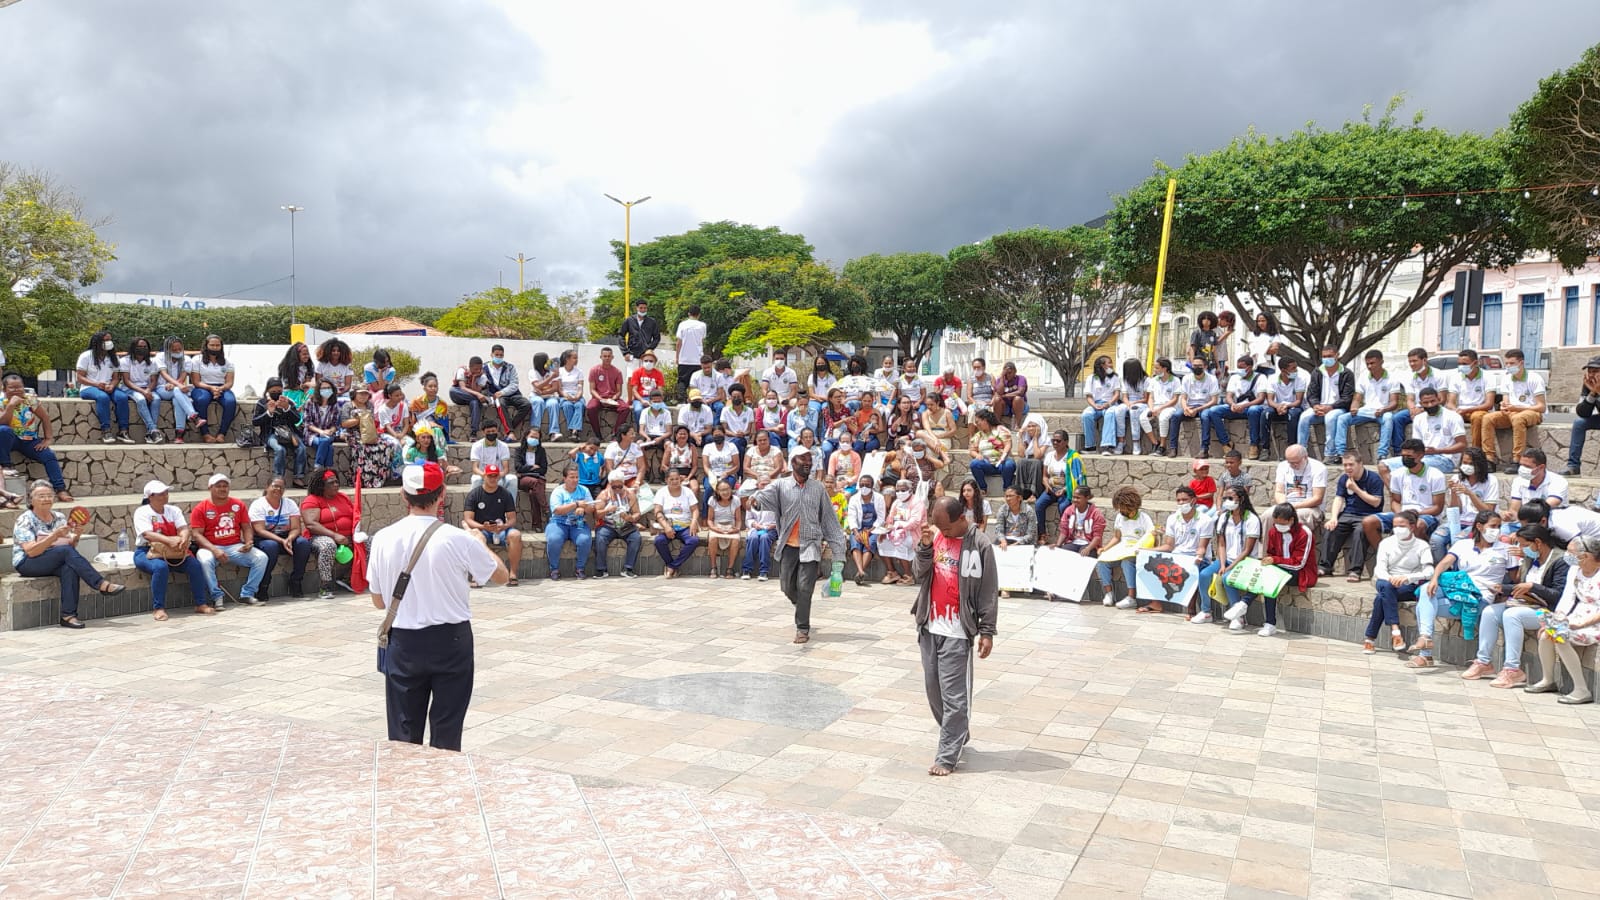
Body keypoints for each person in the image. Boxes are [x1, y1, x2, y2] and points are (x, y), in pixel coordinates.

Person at [369, 461, 508, 752]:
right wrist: (480, 542)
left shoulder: (382, 539)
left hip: (404, 641)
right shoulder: (459, 539)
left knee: (403, 735)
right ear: (442, 494)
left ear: (404, 496)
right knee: (447, 733)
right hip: (451, 642)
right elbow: (501, 576)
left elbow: (379, 601)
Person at [912, 495, 999, 777]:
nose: (943, 533)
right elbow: (918, 574)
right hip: (930, 626)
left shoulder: (980, 545)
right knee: (933, 690)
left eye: (946, 528)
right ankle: (958, 731)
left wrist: (987, 630)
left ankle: (947, 756)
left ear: (962, 518)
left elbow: (988, 590)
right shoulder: (935, 537)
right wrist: (925, 548)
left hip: (957, 632)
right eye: (939, 528)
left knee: (954, 697)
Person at [750, 444, 847, 643]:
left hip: (811, 545)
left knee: (805, 587)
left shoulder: (818, 488)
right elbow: (760, 498)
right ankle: (801, 605)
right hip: (788, 546)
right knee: (787, 587)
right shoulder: (780, 485)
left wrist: (838, 557)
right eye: (803, 460)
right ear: (793, 462)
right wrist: (754, 502)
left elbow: (830, 522)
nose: (808, 463)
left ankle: (802, 628)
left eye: (810, 460)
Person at [1463, 524, 1570, 688]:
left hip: (1549, 611)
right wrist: (1503, 588)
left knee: (1512, 615)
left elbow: (1558, 595)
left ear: (1538, 542)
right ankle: (1483, 661)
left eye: (1524, 545)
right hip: (1528, 604)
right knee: (1490, 612)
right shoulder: (1530, 559)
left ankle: (1512, 669)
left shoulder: (1560, 561)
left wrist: (1533, 587)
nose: (1521, 549)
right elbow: (1523, 587)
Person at [12, 480, 125, 628]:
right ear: (31, 499)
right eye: (41, 496)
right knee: (65, 552)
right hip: (27, 562)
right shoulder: (25, 520)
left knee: (70, 567)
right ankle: (100, 584)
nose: (46, 499)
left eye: (49, 495)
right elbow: (31, 551)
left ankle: (68, 616)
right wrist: (54, 536)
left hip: (53, 558)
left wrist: (76, 536)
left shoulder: (59, 517)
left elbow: (69, 545)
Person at [1409, 511, 1509, 669]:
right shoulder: (1463, 544)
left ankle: (1425, 652)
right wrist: (1434, 579)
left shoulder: (1506, 549)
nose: (1496, 530)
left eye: (1499, 526)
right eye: (1493, 526)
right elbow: (1444, 563)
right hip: (1457, 588)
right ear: (1479, 526)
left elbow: (1516, 577)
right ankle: (1425, 639)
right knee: (1425, 590)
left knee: (1425, 605)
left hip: (1480, 596)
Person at [1526, 534, 1600, 705]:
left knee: (1560, 637)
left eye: (1571, 552)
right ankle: (1547, 679)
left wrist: (1581, 624)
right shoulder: (1574, 570)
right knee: (1547, 634)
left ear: (1585, 555)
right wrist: (1556, 619)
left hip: (1594, 621)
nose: (1567, 556)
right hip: (1577, 615)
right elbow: (1567, 598)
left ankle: (1581, 689)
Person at [133, 479, 208, 619]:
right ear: (150, 497)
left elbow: (183, 528)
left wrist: (184, 537)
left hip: (174, 553)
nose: (165, 496)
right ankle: (158, 608)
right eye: (161, 494)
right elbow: (147, 534)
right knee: (160, 567)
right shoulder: (142, 512)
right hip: (147, 552)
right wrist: (169, 541)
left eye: (166, 493)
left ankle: (201, 603)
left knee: (194, 565)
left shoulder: (174, 510)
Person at [191, 472, 269, 607]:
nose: (222, 489)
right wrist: (215, 550)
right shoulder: (201, 508)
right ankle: (217, 596)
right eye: (218, 486)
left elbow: (246, 527)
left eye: (225, 486)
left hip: (234, 546)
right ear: (210, 488)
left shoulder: (238, 504)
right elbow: (197, 534)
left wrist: (249, 542)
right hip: (210, 547)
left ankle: (247, 594)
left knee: (261, 558)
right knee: (205, 560)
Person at [1364, 509, 1431, 653]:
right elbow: (1379, 569)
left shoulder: (1422, 546)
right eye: (1395, 526)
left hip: (1408, 585)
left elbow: (1429, 572)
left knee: (1381, 598)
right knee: (1386, 586)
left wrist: (1407, 578)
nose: (1397, 529)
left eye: (1402, 526)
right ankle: (1395, 632)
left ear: (1412, 527)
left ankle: (1370, 638)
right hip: (1386, 580)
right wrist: (1391, 579)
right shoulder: (1386, 543)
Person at [1196, 485, 1261, 628]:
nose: (1227, 501)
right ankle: (1206, 611)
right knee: (1204, 575)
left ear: (1241, 499)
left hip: (1246, 560)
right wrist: (1223, 564)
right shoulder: (1224, 517)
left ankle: (1238, 617)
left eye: (1230, 498)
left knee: (1227, 578)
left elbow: (1247, 550)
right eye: (1225, 498)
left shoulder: (1252, 519)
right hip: (1227, 559)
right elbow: (1221, 544)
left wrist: (1230, 567)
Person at [0, 374, 71, 500]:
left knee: (48, 455)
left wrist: (48, 439)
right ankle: (6, 465)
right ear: (4, 389)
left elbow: (45, 417)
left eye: (19, 387)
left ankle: (60, 489)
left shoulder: (30, 400)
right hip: (10, 440)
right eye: (12, 387)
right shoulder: (1, 401)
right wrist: (11, 405)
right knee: (4, 430)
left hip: (29, 440)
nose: (16, 390)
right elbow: (2, 422)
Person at [1326, 349, 1402, 465]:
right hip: (1366, 411)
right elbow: (1357, 398)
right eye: (1367, 364)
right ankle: (1340, 454)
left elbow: (1394, 402)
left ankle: (1382, 454)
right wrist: (1354, 408)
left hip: (1383, 411)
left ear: (1381, 362)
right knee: (1342, 418)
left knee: (1388, 418)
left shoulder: (1392, 378)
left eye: (1372, 363)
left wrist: (1384, 409)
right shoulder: (1363, 377)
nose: (1369, 366)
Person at [1255, 502, 1317, 636]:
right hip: (1280, 569)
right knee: (1268, 576)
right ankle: (1269, 623)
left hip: (1300, 573)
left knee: (1272, 576)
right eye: (1276, 523)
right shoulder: (1273, 531)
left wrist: (1275, 561)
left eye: (1282, 523)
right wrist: (1270, 561)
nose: (1278, 526)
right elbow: (1271, 552)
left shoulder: (1304, 533)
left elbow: (1299, 563)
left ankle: (1246, 604)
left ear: (1291, 520)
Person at [1479, 348, 1546, 473]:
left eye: (1512, 363)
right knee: (1487, 418)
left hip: (1532, 412)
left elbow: (1541, 407)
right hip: (1512, 412)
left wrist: (1518, 409)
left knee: (1518, 418)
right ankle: (1490, 459)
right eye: (1507, 363)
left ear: (1521, 363)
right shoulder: (1506, 379)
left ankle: (1517, 459)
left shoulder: (1534, 378)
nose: (1508, 366)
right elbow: (1506, 401)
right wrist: (1504, 406)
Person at [301, 467, 363, 600]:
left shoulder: (343, 497)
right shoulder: (312, 500)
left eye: (336, 482)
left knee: (370, 542)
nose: (336, 485)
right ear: (321, 485)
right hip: (320, 537)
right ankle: (325, 587)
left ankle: (350, 578)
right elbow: (311, 524)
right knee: (328, 545)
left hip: (346, 537)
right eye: (331, 483)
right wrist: (334, 536)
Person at [249, 476, 313, 600]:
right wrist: (281, 541)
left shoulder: (290, 504)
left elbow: (296, 528)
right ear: (267, 487)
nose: (278, 489)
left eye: (281, 487)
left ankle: (296, 581)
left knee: (303, 544)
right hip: (264, 539)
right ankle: (263, 585)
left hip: (285, 537)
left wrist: (289, 539)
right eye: (275, 486)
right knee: (271, 546)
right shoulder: (258, 505)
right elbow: (259, 530)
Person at [1323, 453, 1383, 581]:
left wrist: (1356, 489)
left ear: (1360, 464)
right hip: (1348, 514)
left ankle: (1355, 571)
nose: (1348, 468)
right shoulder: (1344, 478)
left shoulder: (1374, 478)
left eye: (1351, 464)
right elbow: (1339, 499)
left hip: (1369, 515)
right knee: (1331, 528)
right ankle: (1325, 567)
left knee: (1360, 531)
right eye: (1345, 465)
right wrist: (1334, 518)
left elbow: (1376, 502)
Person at [463, 464, 523, 587]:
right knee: (477, 538)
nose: (492, 479)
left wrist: (504, 526)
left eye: (495, 476)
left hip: (500, 530)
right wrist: (482, 527)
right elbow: (468, 519)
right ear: (484, 476)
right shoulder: (474, 494)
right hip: (482, 529)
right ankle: (476, 576)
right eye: (490, 476)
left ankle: (512, 574)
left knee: (515, 535)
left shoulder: (505, 494)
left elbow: (512, 519)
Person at [1158, 486, 1214, 616]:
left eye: (1184, 499)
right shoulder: (1172, 518)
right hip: (1177, 556)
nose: (1181, 503)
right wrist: (1145, 550)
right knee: (1152, 565)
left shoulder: (1205, 520)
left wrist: (1199, 556)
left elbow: (1202, 547)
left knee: (1191, 570)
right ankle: (1155, 603)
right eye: (1178, 500)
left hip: (1197, 557)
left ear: (1193, 500)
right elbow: (1169, 546)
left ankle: (1192, 608)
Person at [1095, 486, 1153, 610]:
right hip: (1122, 548)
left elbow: (1150, 536)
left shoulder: (1144, 518)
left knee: (1126, 562)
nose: (1123, 512)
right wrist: (1105, 548)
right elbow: (1117, 537)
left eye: (1125, 509)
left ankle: (1131, 597)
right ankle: (1109, 593)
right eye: (1121, 509)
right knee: (1102, 561)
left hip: (1137, 550)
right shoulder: (1120, 517)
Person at [1440, 446, 1500, 561]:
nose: (1466, 466)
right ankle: (1445, 569)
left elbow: (1488, 512)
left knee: (1458, 541)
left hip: (1477, 523)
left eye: (1471, 464)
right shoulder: (1456, 478)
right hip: (1458, 521)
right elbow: (1456, 510)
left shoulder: (1491, 480)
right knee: (1436, 540)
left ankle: (1458, 570)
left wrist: (1470, 494)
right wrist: (1454, 493)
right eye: (1464, 463)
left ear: (1479, 465)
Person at [1291, 347, 1354, 456]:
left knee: (1330, 418)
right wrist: (1315, 406)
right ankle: (1301, 452)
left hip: (1338, 408)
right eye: (1324, 356)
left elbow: (1347, 397)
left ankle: (1330, 453)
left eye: (1330, 356)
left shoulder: (1346, 373)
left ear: (1337, 355)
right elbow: (1311, 393)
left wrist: (1330, 407)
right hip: (1319, 407)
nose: (1326, 359)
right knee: (1304, 417)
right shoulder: (1317, 372)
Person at [1200, 355, 1264, 457]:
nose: (1239, 370)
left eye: (1242, 367)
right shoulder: (1235, 377)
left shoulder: (1261, 377)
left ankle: (1254, 445)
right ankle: (1226, 443)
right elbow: (1228, 396)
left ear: (1250, 367)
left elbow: (1261, 399)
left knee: (1254, 410)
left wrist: (1244, 406)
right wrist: (1233, 404)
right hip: (1236, 407)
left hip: (1251, 407)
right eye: (1238, 367)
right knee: (1213, 411)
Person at [76, 331, 133, 444]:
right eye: (106, 340)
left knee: (122, 397)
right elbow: (80, 377)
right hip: (89, 387)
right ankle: (106, 431)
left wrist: (112, 385)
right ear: (97, 342)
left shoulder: (113, 357)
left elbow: (116, 378)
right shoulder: (86, 356)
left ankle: (123, 431)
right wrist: (97, 384)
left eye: (110, 340)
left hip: (108, 387)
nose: (109, 342)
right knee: (103, 397)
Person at [1248, 357, 1306, 461]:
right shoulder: (1272, 379)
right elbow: (1270, 400)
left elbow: (1298, 401)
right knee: (1265, 414)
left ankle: (1291, 448)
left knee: (1292, 415)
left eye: (1296, 367)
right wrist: (1278, 407)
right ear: (1283, 370)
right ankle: (1265, 449)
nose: (1296, 370)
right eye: (1293, 368)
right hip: (1277, 407)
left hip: (1293, 407)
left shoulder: (1300, 379)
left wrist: (1286, 406)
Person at [253, 378, 307, 487]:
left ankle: (298, 477)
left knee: (301, 448)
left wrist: (287, 408)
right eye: (273, 391)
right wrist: (269, 413)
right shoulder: (262, 403)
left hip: (289, 433)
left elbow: (297, 419)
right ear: (268, 390)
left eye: (279, 391)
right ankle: (278, 478)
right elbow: (255, 421)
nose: (276, 393)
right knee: (280, 449)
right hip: (270, 434)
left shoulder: (288, 402)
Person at [544, 466, 594, 580]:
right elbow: (557, 510)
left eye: (577, 477)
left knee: (584, 540)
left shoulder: (584, 490)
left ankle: (580, 568)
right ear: (565, 478)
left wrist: (584, 508)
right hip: (559, 522)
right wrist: (576, 504)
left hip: (578, 523)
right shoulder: (558, 491)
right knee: (554, 539)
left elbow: (591, 508)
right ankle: (554, 569)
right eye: (572, 477)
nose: (575, 480)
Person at [593, 470, 643, 578]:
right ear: (610, 484)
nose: (617, 489)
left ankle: (628, 568)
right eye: (614, 487)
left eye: (619, 486)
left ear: (623, 483)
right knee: (601, 537)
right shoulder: (604, 495)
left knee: (636, 538)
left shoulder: (629, 494)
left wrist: (630, 518)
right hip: (608, 525)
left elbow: (637, 513)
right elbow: (596, 515)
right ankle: (601, 569)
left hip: (626, 526)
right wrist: (607, 510)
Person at [1447, 350, 1496, 458]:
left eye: (1464, 364)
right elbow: (1450, 403)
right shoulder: (1456, 377)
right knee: (1447, 417)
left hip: (1481, 410)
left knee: (1477, 417)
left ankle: (1475, 453)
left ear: (1475, 363)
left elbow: (1489, 404)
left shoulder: (1488, 377)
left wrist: (1467, 410)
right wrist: (1455, 410)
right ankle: (1450, 453)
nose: (1461, 366)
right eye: (1459, 364)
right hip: (1461, 411)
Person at [1406, 386, 1466, 474]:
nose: (1430, 405)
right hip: (1422, 457)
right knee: (1386, 465)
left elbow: (1462, 445)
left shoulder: (1453, 416)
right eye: (1426, 402)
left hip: (1446, 460)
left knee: (1412, 466)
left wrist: (1438, 451)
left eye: (1432, 401)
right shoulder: (1418, 418)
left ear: (1439, 399)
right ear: (1420, 403)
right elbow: (1417, 444)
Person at [189, 334, 237, 443]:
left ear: (221, 346)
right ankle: (205, 434)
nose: (215, 347)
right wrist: (211, 388)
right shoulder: (197, 360)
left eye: (217, 345)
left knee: (230, 401)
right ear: (206, 346)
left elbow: (229, 382)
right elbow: (196, 382)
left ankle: (222, 434)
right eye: (212, 345)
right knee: (201, 400)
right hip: (202, 387)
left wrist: (219, 389)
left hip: (222, 387)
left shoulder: (228, 362)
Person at [652, 467, 699, 578]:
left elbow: (695, 510)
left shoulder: (687, 492)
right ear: (666, 480)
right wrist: (666, 527)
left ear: (680, 479)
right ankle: (671, 565)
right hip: (668, 525)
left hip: (685, 526)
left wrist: (694, 521)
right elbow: (657, 512)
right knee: (659, 541)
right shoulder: (661, 492)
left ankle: (672, 566)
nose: (674, 481)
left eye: (677, 479)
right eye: (671, 479)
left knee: (693, 540)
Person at [1167, 360, 1220, 457]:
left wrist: (1197, 410)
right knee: (1175, 416)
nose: (1196, 368)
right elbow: (1183, 398)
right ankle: (1173, 448)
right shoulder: (1186, 378)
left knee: (1205, 417)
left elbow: (1214, 401)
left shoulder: (1212, 379)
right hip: (1190, 406)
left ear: (1205, 366)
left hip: (1205, 406)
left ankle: (1204, 449)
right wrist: (1186, 408)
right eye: (1194, 365)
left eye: (1199, 366)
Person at [156, 336, 205, 441]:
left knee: (177, 399)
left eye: (179, 349)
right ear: (167, 349)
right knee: (178, 391)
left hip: (177, 388)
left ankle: (179, 434)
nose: (178, 351)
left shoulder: (186, 359)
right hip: (162, 388)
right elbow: (164, 374)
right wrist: (176, 385)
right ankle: (193, 416)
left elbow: (183, 376)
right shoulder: (160, 357)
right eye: (174, 350)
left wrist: (175, 385)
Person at [880, 479, 927, 586]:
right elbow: (890, 518)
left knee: (900, 543)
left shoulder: (917, 503)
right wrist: (886, 529)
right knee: (881, 541)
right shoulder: (897, 502)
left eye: (903, 490)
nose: (900, 493)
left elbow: (915, 522)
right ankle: (892, 572)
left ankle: (908, 576)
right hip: (896, 533)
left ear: (910, 490)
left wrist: (899, 525)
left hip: (913, 534)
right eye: (898, 490)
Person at [994, 486, 1037, 599]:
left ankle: (1011, 586)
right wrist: (1003, 540)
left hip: (1023, 541)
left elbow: (1031, 533)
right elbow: (998, 528)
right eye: (1006, 496)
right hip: (1006, 539)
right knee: (997, 551)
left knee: (1015, 552)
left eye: (1011, 496)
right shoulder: (1003, 509)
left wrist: (1017, 544)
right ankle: (1002, 586)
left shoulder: (1028, 511)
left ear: (1019, 498)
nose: (1008, 499)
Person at [1273, 444, 1328, 533]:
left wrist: (1293, 507)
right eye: (1290, 462)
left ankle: (1296, 542)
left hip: (1310, 508)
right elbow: (1279, 492)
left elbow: (1318, 498)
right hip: (1287, 505)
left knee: (1295, 517)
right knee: (1267, 516)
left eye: (1296, 462)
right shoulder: (1282, 466)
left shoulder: (1318, 468)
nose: (1293, 465)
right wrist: (1284, 506)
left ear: (1305, 457)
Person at [121, 337, 165, 444]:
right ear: (133, 347)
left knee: (156, 399)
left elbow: (154, 380)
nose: (142, 348)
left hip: (147, 388)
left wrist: (148, 390)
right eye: (139, 346)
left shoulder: (152, 362)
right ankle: (153, 429)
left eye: (145, 347)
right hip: (130, 388)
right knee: (141, 400)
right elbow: (126, 381)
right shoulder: (125, 361)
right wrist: (143, 392)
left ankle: (151, 433)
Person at [845, 475, 885, 586]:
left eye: (867, 485)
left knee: (870, 543)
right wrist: (856, 532)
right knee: (855, 543)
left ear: (872, 486)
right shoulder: (854, 499)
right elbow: (851, 517)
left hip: (873, 529)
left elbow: (881, 517)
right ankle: (861, 571)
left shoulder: (879, 498)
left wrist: (870, 530)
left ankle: (859, 572)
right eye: (862, 485)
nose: (864, 487)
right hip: (858, 528)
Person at [483, 344, 532, 433]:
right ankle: (510, 432)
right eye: (496, 355)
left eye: (501, 355)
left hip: (513, 394)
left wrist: (502, 392)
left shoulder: (510, 367)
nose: (499, 357)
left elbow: (514, 384)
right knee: (500, 403)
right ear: (491, 354)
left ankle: (510, 427)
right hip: (497, 397)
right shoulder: (484, 368)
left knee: (527, 404)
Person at [1565, 354, 1600, 477]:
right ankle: (1573, 466)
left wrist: (1598, 391)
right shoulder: (1589, 384)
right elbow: (1582, 412)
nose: (1591, 375)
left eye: (1595, 371)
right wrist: (1593, 393)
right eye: (1589, 371)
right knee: (1579, 423)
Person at [1508, 448, 1569, 518]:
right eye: (1521, 465)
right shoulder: (1518, 481)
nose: (1522, 469)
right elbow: (1514, 510)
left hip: (1553, 520)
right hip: (1527, 521)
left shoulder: (1558, 481)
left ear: (1541, 467)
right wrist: (1509, 516)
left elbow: (1545, 507)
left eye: (1527, 466)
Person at [1108, 358, 1151, 456]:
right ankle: (1121, 441)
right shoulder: (1124, 380)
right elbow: (1124, 397)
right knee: (1119, 410)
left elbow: (1146, 399)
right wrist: (1128, 404)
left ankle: (1136, 442)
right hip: (1129, 402)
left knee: (1134, 411)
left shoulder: (1146, 380)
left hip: (1141, 403)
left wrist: (1134, 403)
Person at [302, 379, 346, 471]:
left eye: (329, 388)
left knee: (326, 441)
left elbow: (335, 424)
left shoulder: (334, 405)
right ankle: (327, 470)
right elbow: (307, 423)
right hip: (312, 434)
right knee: (328, 446)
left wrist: (331, 430)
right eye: (324, 388)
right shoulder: (310, 403)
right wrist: (321, 432)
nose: (327, 390)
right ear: (318, 390)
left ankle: (318, 467)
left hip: (328, 434)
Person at [1081, 355, 1121, 453]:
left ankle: (1107, 446)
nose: (1111, 365)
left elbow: (1117, 394)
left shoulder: (1115, 377)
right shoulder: (1091, 378)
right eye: (1109, 363)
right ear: (1102, 365)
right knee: (1086, 415)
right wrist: (1094, 405)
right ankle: (1090, 446)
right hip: (1096, 404)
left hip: (1110, 404)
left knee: (1110, 414)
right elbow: (1089, 396)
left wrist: (1109, 403)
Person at [585, 346, 627, 441]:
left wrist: (613, 399)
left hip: (612, 398)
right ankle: (597, 435)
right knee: (590, 408)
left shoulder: (617, 372)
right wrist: (601, 399)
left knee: (625, 408)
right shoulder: (594, 370)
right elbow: (592, 390)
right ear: (601, 357)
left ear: (612, 357)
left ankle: (615, 433)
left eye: (609, 356)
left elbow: (619, 391)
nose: (607, 358)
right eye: (605, 356)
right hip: (598, 398)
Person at [705, 478, 743, 578]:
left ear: (731, 489)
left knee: (735, 540)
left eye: (727, 489)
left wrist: (736, 529)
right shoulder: (712, 500)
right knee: (712, 538)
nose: (725, 492)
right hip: (717, 526)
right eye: (722, 490)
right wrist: (715, 528)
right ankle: (713, 567)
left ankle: (730, 568)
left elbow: (738, 520)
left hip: (731, 525)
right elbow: (709, 520)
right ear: (717, 491)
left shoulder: (736, 500)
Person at [968, 409, 1015, 491]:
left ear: (985, 420)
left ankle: (1007, 488)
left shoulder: (1000, 430)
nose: (976, 424)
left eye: (977, 421)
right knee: (974, 464)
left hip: (1002, 463)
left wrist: (1003, 456)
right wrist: (977, 455)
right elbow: (972, 450)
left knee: (1009, 464)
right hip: (987, 463)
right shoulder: (978, 435)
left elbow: (1008, 444)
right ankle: (983, 488)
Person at [1146, 357, 1184, 457]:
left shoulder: (1175, 380)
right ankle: (1155, 443)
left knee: (1163, 418)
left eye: (1157, 368)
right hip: (1155, 407)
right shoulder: (1153, 380)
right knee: (1143, 418)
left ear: (1165, 368)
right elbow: (1150, 397)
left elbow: (1174, 400)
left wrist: (1159, 409)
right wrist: (1151, 409)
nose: (1155, 370)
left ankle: (1162, 446)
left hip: (1170, 407)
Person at [468, 423, 515, 501]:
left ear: (497, 431)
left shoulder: (503, 446)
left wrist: (498, 476)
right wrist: (484, 475)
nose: (491, 433)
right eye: (488, 432)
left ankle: (511, 506)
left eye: (493, 431)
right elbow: (475, 468)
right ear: (483, 433)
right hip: (483, 475)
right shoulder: (476, 446)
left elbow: (506, 469)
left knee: (512, 479)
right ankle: (473, 504)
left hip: (498, 475)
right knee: (476, 480)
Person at [1055, 486, 1105, 557]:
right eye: (1073, 497)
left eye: (1078, 498)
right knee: (1062, 554)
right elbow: (1064, 531)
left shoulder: (1096, 513)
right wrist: (1058, 545)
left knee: (1084, 556)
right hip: (1072, 542)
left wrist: (1088, 549)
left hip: (1089, 544)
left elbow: (1097, 536)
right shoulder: (1069, 511)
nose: (1075, 500)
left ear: (1087, 498)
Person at [515, 427, 549, 531]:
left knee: (533, 493)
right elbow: (518, 467)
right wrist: (533, 467)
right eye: (532, 436)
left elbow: (543, 469)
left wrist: (527, 469)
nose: (534, 439)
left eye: (536, 438)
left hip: (538, 478)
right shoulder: (519, 450)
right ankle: (547, 510)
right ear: (526, 436)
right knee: (536, 483)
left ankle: (537, 525)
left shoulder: (541, 451)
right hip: (524, 479)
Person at [673, 304, 707, 401]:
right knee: (697, 382)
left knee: (682, 381)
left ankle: (682, 400)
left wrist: (677, 357)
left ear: (689, 314)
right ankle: (695, 400)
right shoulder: (702, 325)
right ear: (699, 315)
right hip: (697, 359)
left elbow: (679, 342)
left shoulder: (682, 325)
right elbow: (702, 341)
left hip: (684, 359)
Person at [450, 356, 490, 437]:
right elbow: (463, 388)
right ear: (470, 367)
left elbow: (476, 391)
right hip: (460, 396)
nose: (478, 371)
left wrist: (474, 378)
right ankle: (487, 400)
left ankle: (474, 432)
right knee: (452, 390)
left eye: (480, 369)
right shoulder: (462, 371)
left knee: (475, 402)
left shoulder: (483, 376)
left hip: (472, 398)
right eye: (476, 369)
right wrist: (479, 395)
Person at [636, 389, 673, 479]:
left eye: (659, 401)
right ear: (650, 401)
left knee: (669, 445)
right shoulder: (644, 412)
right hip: (648, 435)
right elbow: (641, 430)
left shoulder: (666, 413)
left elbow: (669, 432)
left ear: (662, 401)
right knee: (638, 444)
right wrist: (647, 437)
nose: (657, 403)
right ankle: (646, 469)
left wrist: (660, 438)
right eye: (654, 401)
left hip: (662, 436)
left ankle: (662, 469)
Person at [552, 349, 587, 440]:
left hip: (576, 394)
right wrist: (566, 396)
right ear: (567, 359)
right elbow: (560, 388)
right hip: (565, 395)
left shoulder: (579, 372)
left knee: (579, 405)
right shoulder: (560, 371)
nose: (576, 360)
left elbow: (580, 387)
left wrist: (577, 396)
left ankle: (574, 431)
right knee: (567, 405)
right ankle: (574, 430)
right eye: (574, 358)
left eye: (577, 358)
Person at [408, 372, 452, 444]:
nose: (433, 388)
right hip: (418, 428)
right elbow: (412, 422)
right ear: (424, 388)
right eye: (430, 386)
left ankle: (439, 450)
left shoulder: (442, 404)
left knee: (437, 430)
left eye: (435, 386)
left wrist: (436, 425)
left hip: (436, 428)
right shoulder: (416, 402)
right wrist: (428, 423)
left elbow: (443, 424)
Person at [528, 351, 562, 439]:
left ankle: (554, 432)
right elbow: (537, 386)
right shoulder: (532, 372)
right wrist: (551, 377)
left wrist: (543, 392)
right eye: (547, 360)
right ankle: (535, 430)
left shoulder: (553, 371)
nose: (549, 362)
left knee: (554, 404)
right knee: (538, 402)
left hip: (550, 396)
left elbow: (555, 388)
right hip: (536, 396)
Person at [619, 299, 661, 364]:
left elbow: (657, 338)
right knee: (632, 371)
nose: (643, 310)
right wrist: (625, 352)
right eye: (641, 308)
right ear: (637, 308)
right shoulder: (629, 320)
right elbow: (621, 335)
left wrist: (650, 349)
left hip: (646, 356)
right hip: (632, 356)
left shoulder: (652, 322)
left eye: (645, 308)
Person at [993, 361, 1029, 427]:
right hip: (1006, 406)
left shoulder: (1021, 378)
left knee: (1017, 398)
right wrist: (1002, 378)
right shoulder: (1000, 380)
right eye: (1006, 373)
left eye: (1010, 373)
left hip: (1020, 405)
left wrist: (1005, 395)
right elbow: (999, 392)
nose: (1008, 375)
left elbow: (1020, 392)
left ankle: (1017, 425)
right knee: (997, 399)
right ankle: (997, 424)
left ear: (1015, 371)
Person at [1189, 310, 1223, 375]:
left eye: (1208, 319)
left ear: (1212, 321)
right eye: (1204, 319)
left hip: (1211, 365)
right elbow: (1192, 349)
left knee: (1212, 380)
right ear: (1201, 320)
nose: (1206, 321)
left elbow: (1214, 351)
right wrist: (1193, 363)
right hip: (1200, 364)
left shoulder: (1213, 334)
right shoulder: (1197, 333)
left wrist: (1218, 366)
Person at [965, 358, 996, 425]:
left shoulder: (990, 377)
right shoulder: (971, 379)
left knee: (988, 413)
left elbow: (995, 393)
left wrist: (992, 402)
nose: (976, 369)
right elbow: (969, 396)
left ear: (984, 367)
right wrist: (976, 404)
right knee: (972, 412)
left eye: (978, 367)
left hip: (988, 403)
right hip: (975, 403)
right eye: (974, 367)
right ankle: (971, 432)